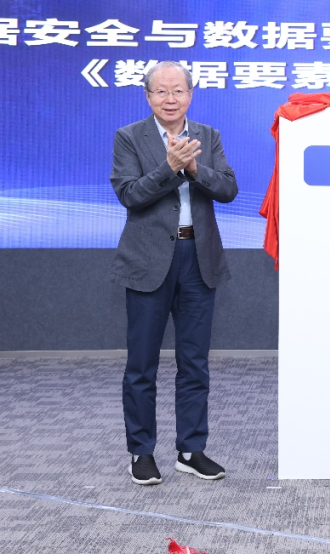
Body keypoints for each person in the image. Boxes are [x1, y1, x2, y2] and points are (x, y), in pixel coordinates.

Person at [110, 60, 238, 486]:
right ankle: (141, 452)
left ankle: (191, 449)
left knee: (195, 362)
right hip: (148, 260)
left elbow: (229, 189)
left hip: (198, 258)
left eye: (178, 90)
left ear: (190, 94)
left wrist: (195, 169)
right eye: (161, 91)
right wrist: (169, 168)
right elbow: (130, 195)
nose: (170, 99)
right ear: (148, 96)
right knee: (142, 364)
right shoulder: (129, 137)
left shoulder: (208, 136)